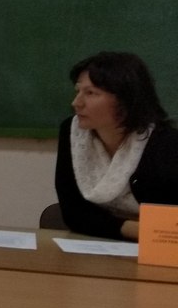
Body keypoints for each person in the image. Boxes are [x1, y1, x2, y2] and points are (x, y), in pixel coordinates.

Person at [55, 51, 178, 240]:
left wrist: (145, 231)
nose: (76, 103)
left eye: (90, 93)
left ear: (125, 99)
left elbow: (169, 223)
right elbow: (75, 213)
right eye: (77, 91)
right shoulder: (71, 132)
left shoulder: (166, 145)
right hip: (103, 243)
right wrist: (135, 229)